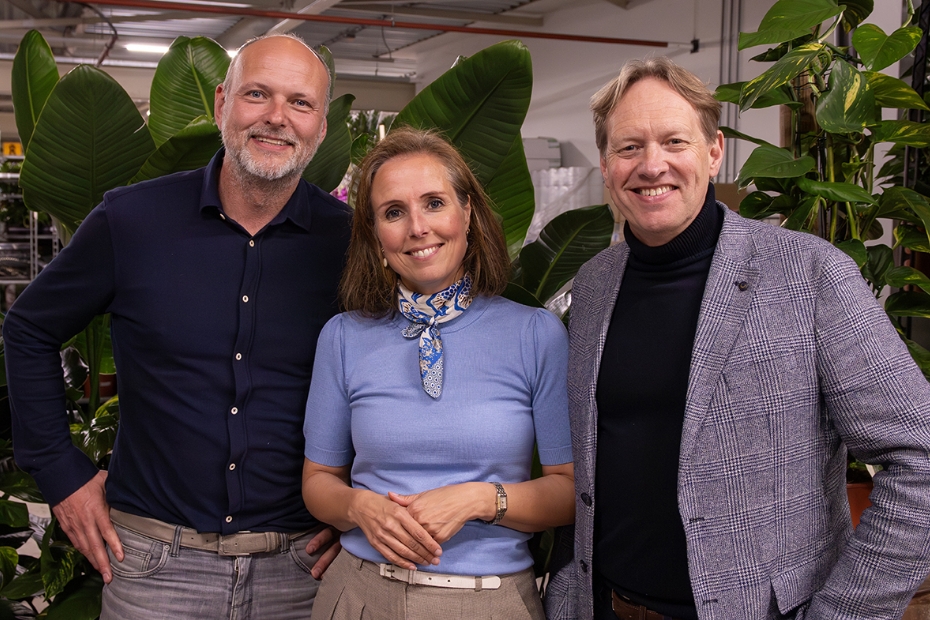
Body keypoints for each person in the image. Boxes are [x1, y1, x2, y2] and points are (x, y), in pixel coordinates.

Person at [544, 57, 930, 620]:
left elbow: (919, 457)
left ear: (715, 151)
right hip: (609, 606)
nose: (652, 166)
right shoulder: (598, 283)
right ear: (606, 165)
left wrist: (845, 613)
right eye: (629, 148)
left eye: (675, 141)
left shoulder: (808, 274)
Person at [2, 33, 351, 619]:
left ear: (319, 125)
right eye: (257, 94)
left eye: (300, 103)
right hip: (153, 568)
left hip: (305, 571)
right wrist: (62, 473)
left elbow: (394, 374)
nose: (276, 118)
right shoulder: (131, 220)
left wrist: (358, 511)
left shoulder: (350, 243)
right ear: (221, 103)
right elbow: (29, 328)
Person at [301, 127, 574, 620]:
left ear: (467, 213)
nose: (417, 228)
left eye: (434, 203)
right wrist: (360, 508)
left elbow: (569, 491)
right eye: (393, 212)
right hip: (359, 595)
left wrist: (478, 500)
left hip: (491, 601)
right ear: (375, 234)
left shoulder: (536, 334)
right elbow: (319, 481)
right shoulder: (343, 337)